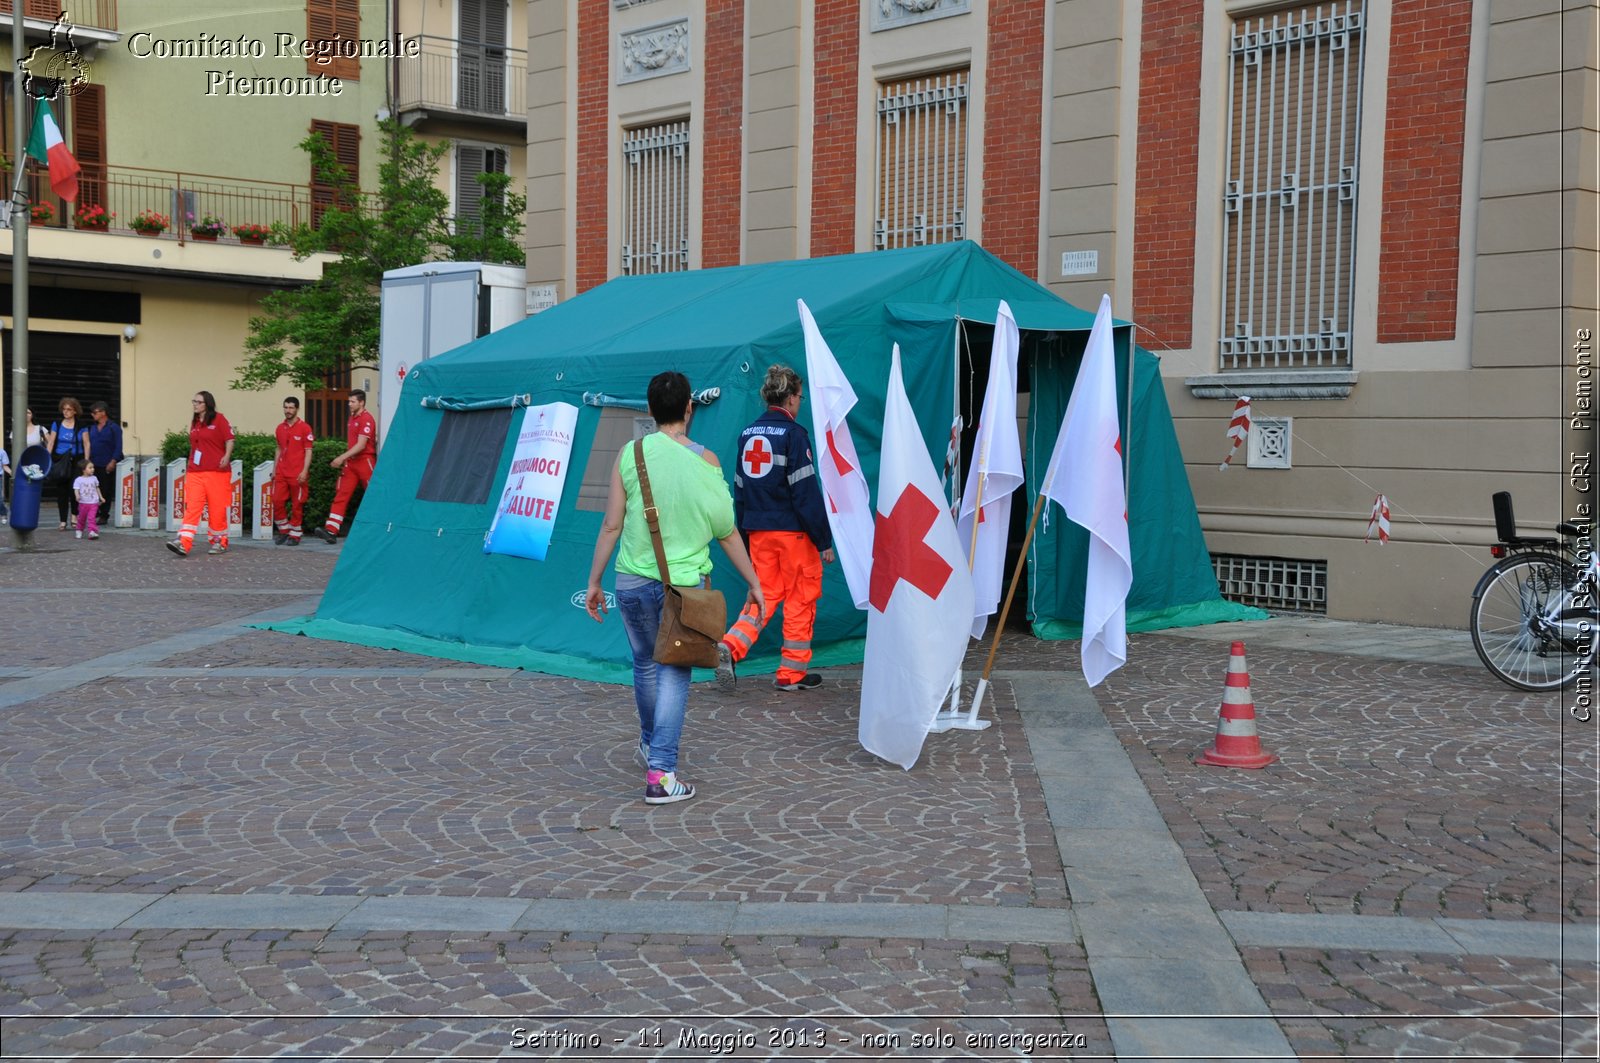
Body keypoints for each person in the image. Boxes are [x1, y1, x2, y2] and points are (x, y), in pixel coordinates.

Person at [584, 371, 763, 806]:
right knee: (674, 671)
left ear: (649, 410)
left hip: (628, 582)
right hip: (682, 590)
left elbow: (611, 524)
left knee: (645, 664)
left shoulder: (629, 454)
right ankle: (661, 773)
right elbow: (728, 533)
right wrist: (755, 584)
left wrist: (593, 581)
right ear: (689, 409)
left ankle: (650, 744)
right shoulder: (706, 462)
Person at [715, 365, 835, 692]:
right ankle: (791, 675)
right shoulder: (795, 435)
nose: (801, 402)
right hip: (794, 534)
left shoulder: (747, 434)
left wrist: (744, 533)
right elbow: (805, 493)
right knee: (801, 599)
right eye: (800, 396)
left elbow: (740, 489)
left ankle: (731, 645)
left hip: (758, 532)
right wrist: (822, 539)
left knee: (762, 594)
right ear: (792, 398)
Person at [167, 391, 235, 557]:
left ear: (207, 404)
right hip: (195, 471)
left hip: (216, 472)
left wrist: (226, 456)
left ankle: (219, 541)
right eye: (194, 401)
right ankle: (183, 541)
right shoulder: (195, 422)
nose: (195, 404)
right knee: (192, 506)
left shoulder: (219, 419)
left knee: (217, 509)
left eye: (198, 402)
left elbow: (230, 439)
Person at [311, 389, 376, 544]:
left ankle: (379, 529)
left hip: (364, 461)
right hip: (352, 463)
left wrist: (341, 458)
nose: (349, 404)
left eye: (353, 401)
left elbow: (361, 445)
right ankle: (331, 531)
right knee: (341, 494)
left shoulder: (366, 419)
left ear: (362, 402)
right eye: (349, 401)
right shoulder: (352, 418)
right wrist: (346, 459)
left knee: (373, 495)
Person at [271, 396, 316, 545]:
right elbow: (278, 448)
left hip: (297, 474)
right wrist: (274, 468)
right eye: (286, 407)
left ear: (297, 409)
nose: (288, 410)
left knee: (297, 504)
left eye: (291, 408)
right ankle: (284, 531)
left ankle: (295, 535)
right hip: (281, 472)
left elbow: (308, 451)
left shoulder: (305, 428)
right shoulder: (279, 428)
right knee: (277, 500)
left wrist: (304, 471)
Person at [46, 398, 88, 530]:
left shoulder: (81, 425)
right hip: (60, 459)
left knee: (74, 489)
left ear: (75, 411)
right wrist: (47, 458)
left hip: (76, 460)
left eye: (69, 409)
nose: (66, 412)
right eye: (64, 409)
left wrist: (86, 462)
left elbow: (87, 444)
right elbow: (51, 442)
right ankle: (62, 520)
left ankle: (74, 516)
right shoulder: (57, 424)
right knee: (61, 490)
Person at [84, 402, 124, 530]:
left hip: (107, 462)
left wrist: (113, 461)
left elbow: (118, 446)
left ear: (103, 412)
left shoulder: (114, 427)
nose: (93, 415)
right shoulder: (92, 428)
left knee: (106, 489)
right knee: (94, 488)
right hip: (94, 463)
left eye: (95, 412)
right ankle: (95, 511)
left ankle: (104, 514)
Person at [72, 460, 103, 540]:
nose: (93, 469)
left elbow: (97, 488)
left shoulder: (94, 478)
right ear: (83, 469)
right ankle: (79, 530)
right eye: (90, 468)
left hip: (93, 503)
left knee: (91, 518)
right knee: (81, 518)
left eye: (93, 467)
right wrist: (77, 496)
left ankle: (92, 531)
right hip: (83, 503)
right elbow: (76, 489)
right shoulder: (78, 480)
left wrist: (101, 497)